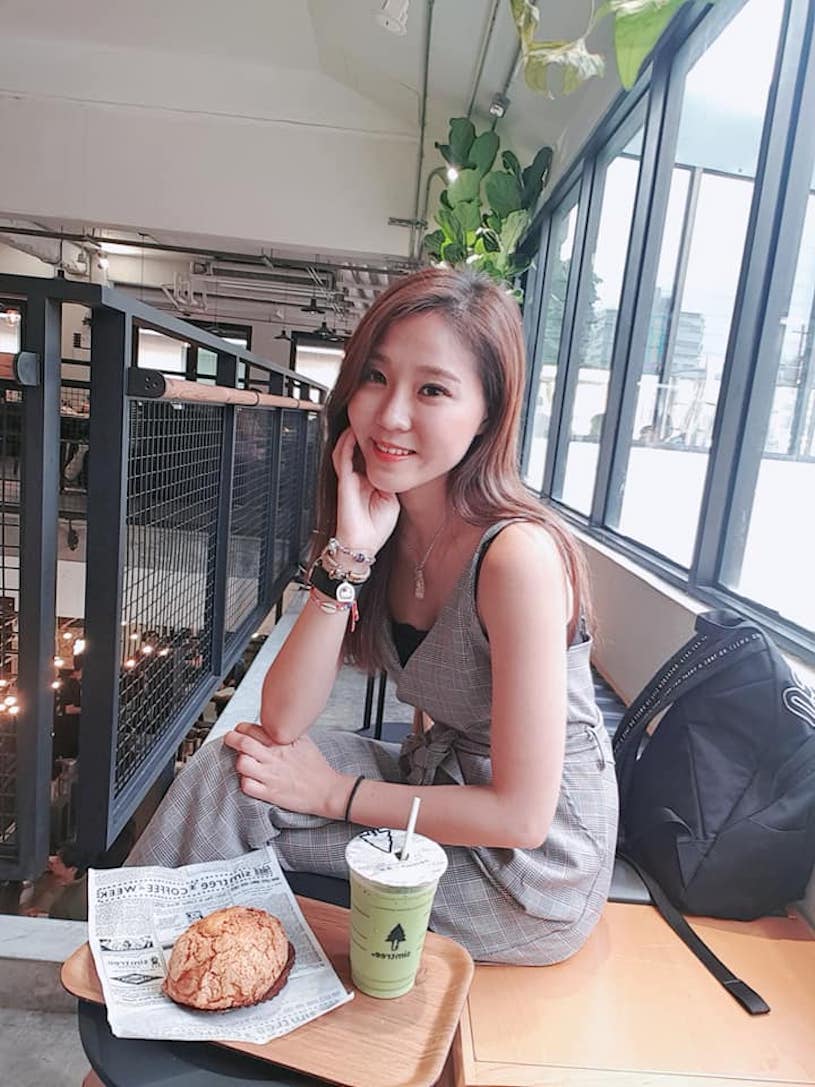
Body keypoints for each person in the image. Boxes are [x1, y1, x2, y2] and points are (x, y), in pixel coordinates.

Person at [128, 268, 618, 966]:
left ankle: (143, 978)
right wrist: (349, 554)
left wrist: (333, 793)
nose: (390, 416)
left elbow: (521, 816)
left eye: (432, 390)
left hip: (525, 873)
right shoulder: (388, 527)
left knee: (246, 803)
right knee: (239, 766)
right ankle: (147, 968)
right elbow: (282, 721)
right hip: (439, 789)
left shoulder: (518, 558)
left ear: (488, 412)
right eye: (376, 377)